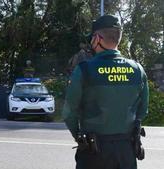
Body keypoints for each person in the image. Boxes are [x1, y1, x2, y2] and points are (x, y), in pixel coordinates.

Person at [62, 15, 149, 169]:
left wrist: (80, 138)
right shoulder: (138, 70)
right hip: (126, 152)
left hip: (93, 151)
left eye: (92, 38)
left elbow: (69, 113)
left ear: (97, 38)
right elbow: (142, 111)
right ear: (119, 39)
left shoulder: (84, 70)